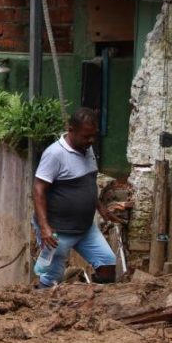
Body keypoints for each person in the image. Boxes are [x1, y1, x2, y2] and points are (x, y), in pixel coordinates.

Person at [32, 107, 123, 288]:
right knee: (51, 279)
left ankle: (93, 306)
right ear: (71, 130)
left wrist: (100, 207)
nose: (91, 141)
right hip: (58, 232)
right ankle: (39, 310)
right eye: (86, 136)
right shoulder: (54, 154)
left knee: (109, 267)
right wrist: (44, 227)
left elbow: (87, 184)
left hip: (85, 228)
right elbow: (38, 190)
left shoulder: (87, 149)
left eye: (93, 136)